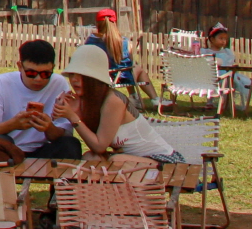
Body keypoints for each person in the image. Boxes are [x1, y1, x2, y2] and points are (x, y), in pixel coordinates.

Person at [55, 43, 183, 163]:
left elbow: (99, 146)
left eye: (81, 75)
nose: (74, 80)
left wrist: (73, 116)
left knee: (116, 161)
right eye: (72, 74)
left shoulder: (113, 100)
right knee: (91, 158)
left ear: (94, 78)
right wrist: (77, 112)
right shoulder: (91, 101)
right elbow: (95, 146)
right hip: (132, 160)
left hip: (163, 160)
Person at [0, 39, 81, 163]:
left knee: (70, 144)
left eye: (45, 74)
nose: (38, 79)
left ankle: (60, 177)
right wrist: (13, 124)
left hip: (43, 150)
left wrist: (49, 127)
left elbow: (62, 135)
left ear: (53, 68)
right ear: (20, 66)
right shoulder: (0, 83)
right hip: (9, 148)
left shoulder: (59, 84)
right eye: (31, 73)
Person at [84, 9, 155, 104]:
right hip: (120, 78)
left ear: (97, 23)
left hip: (98, 77)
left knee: (128, 68)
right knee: (136, 68)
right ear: (114, 23)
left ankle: (134, 96)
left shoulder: (91, 41)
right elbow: (130, 62)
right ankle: (153, 99)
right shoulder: (124, 41)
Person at [206, 23, 250, 113]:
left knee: (237, 81)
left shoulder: (227, 52)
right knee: (223, 80)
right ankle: (211, 101)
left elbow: (229, 64)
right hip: (211, 75)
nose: (223, 41)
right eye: (221, 38)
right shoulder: (206, 52)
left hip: (227, 74)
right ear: (212, 39)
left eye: (225, 39)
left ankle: (226, 102)